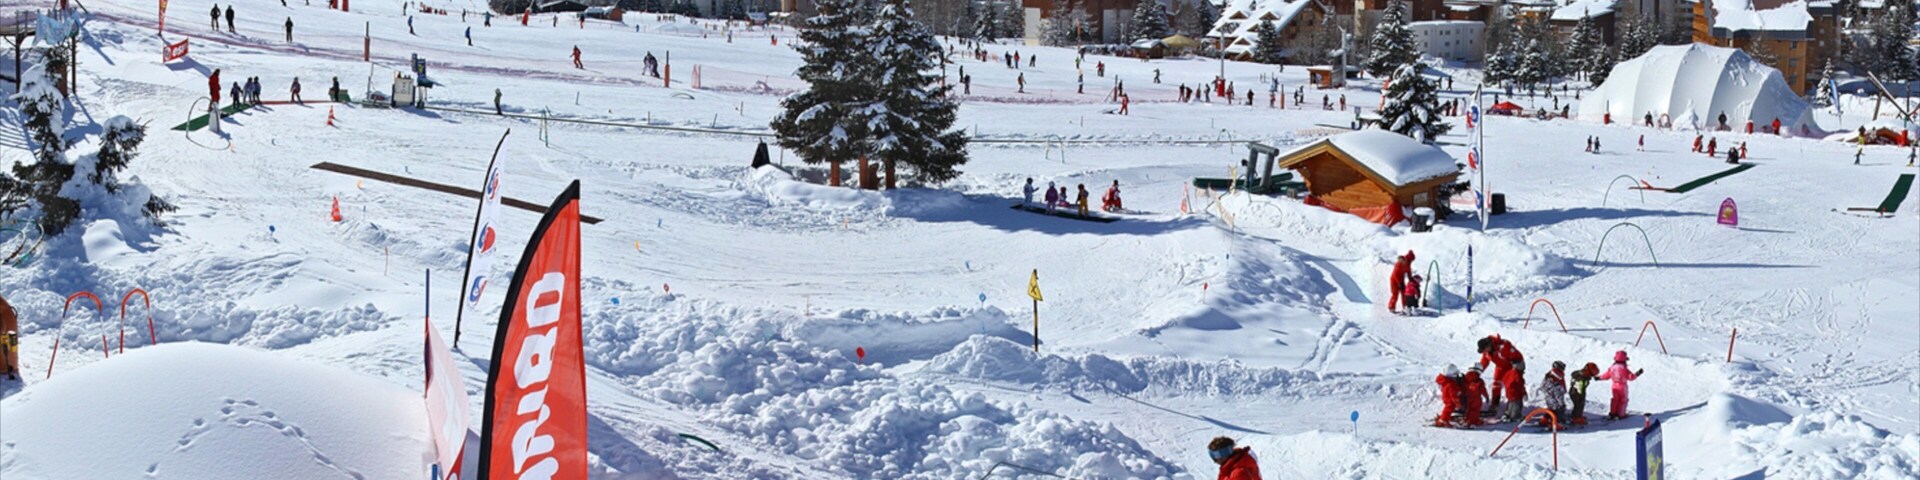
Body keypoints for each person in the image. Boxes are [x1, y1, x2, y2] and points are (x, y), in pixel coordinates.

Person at [1477, 335, 1523, 414]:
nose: (1484, 351)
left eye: (1484, 349)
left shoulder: (1504, 346)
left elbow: (1518, 357)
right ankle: (1495, 403)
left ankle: (1512, 406)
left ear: (1489, 345)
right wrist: (1478, 371)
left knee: (1511, 386)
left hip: (1511, 367)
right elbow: (1484, 361)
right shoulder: (1487, 352)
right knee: (1496, 384)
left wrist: (1517, 369)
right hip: (1500, 367)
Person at [1595, 350, 1643, 420]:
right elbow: (1631, 377)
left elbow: (1606, 376)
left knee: (1615, 400)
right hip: (1622, 387)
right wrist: (1637, 374)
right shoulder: (1624, 368)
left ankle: (1613, 413)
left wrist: (1599, 378)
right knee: (1623, 400)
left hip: (1614, 386)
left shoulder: (1612, 368)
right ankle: (1621, 414)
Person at [1535, 361, 1568, 428]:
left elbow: (1543, 386)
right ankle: (1556, 424)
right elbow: (1559, 395)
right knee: (1558, 411)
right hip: (1554, 399)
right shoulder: (1556, 383)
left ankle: (1545, 420)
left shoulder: (1549, 376)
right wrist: (1562, 404)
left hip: (1549, 398)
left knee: (1551, 409)